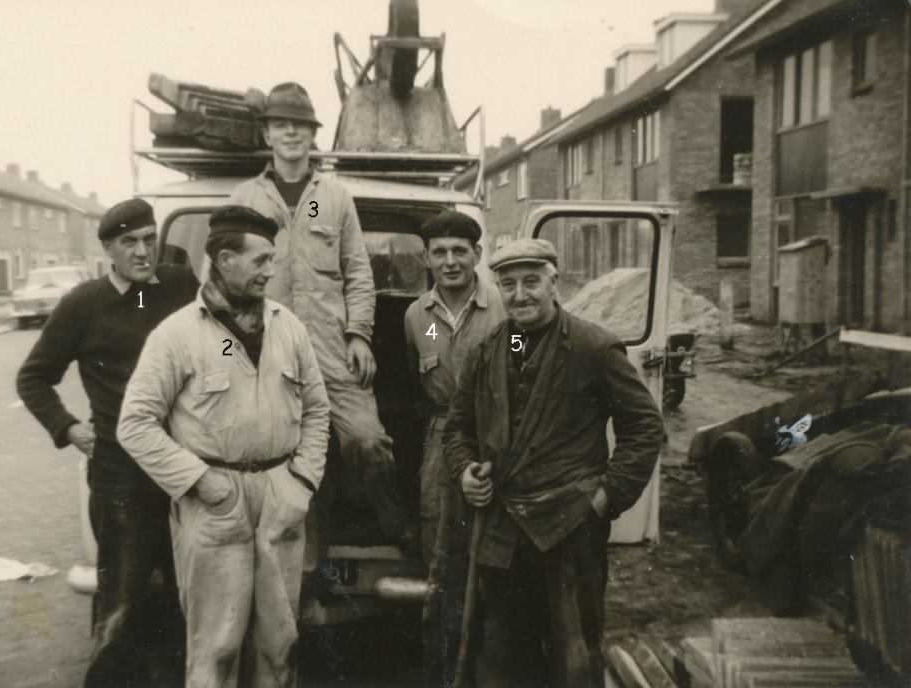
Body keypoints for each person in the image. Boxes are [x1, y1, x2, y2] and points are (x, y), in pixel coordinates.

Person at [117, 205, 331, 688]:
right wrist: (200, 482)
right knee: (216, 649)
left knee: (280, 643)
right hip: (214, 504)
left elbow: (318, 411)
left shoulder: (289, 328)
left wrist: (301, 482)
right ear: (226, 259)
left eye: (273, 259)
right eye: (260, 261)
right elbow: (135, 424)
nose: (270, 271)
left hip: (281, 498)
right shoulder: (176, 334)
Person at [443, 238, 665, 688]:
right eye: (508, 284)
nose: (520, 294)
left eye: (531, 281)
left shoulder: (594, 348)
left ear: (553, 282)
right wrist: (465, 470)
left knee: (573, 653)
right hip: (502, 528)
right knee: (502, 654)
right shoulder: (487, 351)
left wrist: (605, 499)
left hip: (569, 527)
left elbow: (645, 429)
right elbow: (456, 428)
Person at [16, 198, 198, 688]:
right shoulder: (84, 303)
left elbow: (218, 336)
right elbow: (33, 378)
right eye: (129, 243)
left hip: (185, 470)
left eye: (148, 239)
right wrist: (68, 428)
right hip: (123, 477)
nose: (142, 252)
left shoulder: (179, 286)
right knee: (122, 600)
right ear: (108, 250)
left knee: (189, 599)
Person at [229, 81, 412, 549]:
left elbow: (358, 273)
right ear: (267, 134)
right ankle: (306, 557)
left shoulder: (333, 197)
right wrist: (234, 346)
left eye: (301, 126)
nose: (291, 133)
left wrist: (360, 335)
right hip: (270, 353)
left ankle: (397, 529)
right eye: (281, 125)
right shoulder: (244, 199)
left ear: (313, 135)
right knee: (286, 453)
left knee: (367, 441)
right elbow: (223, 281)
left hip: (333, 350)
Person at [403, 211, 505, 685]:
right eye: (439, 253)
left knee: (496, 552)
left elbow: (522, 364)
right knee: (440, 554)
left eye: (459, 252)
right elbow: (423, 365)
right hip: (443, 439)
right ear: (426, 258)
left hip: (497, 440)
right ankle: (444, 666)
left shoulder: (506, 310)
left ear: (477, 256)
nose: (450, 262)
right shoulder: (418, 317)